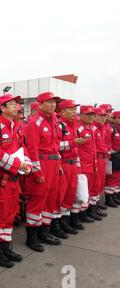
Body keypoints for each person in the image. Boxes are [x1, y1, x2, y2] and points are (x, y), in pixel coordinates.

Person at [0, 94, 32, 266]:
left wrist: (27, 163)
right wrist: (19, 164)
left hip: (14, 180)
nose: (17, 107)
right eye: (12, 104)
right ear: (2, 108)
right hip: (1, 180)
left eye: (17, 104)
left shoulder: (18, 128)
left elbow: (23, 148)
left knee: (10, 214)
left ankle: (5, 248)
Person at [23, 92, 62, 252]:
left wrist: (58, 164)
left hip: (53, 163)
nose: (52, 104)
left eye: (54, 101)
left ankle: (44, 232)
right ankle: (32, 237)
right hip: (42, 163)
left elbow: (56, 144)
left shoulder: (53, 120)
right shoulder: (35, 122)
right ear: (40, 104)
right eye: (49, 102)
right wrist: (37, 172)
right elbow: (33, 149)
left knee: (51, 199)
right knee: (38, 199)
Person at [56, 100, 86, 234]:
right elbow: (55, 146)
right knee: (60, 195)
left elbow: (76, 149)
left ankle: (65, 222)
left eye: (75, 109)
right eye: (71, 109)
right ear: (62, 112)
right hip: (63, 164)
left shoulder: (73, 126)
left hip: (73, 165)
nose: (74, 112)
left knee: (70, 194)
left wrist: (78, 168)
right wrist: (72, 143)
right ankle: (57, 224)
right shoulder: (59, 125)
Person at [77, 106, 102, 223]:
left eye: (92, 114)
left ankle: (87, 211)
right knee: (82, 191)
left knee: (91, 188)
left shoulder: (91, 128)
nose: (91, 117)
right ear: (81, 115)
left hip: (92, 164)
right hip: (82, 165)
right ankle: (81, 214)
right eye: (88, 114)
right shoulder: (79, 129)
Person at [91, 107, 109, 218]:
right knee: (95, 184)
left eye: (104, 116)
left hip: (102, 158)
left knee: (100, 184)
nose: (103, 118)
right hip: (96, 159)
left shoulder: (102, 128)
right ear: (95, 116)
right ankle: (91, 209)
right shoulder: (93, 129)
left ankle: (95, 204)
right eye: (100, 116)